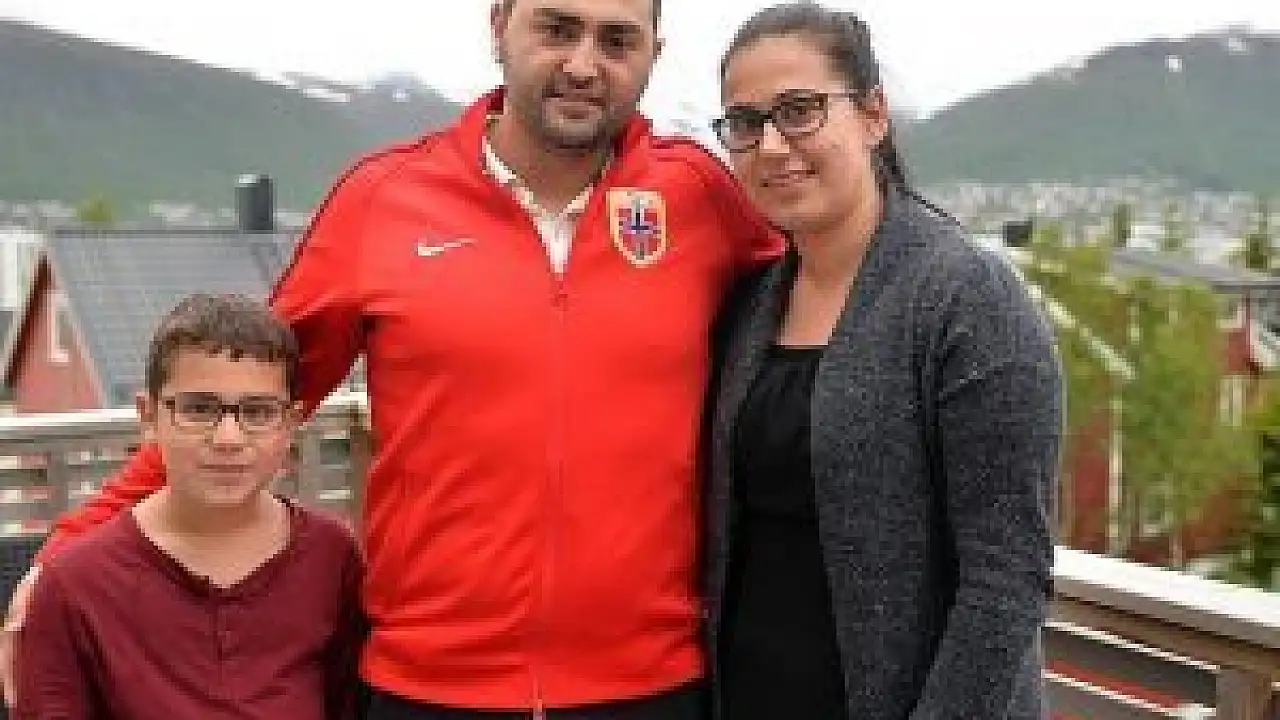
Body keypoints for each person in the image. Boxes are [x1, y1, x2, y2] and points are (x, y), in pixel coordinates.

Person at [1, 0, 782, 717]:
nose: (584, 63)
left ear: (654, 54)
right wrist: (70, 545)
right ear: (500, 25)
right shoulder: (386, 198)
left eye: (617, 41)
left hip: (652, 687)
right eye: (556, 28)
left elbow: (817, 295)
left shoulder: (699, 196)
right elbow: (245, 384)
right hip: (426, 687)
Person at [703, 4, 1062, 719]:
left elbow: (1007, 577)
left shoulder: (964, 299)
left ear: (873, 115)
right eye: (744, 122)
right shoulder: (752, 302)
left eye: (799, 111)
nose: (770, 145)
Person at [14, 294, 363, 719]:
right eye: (198, 409)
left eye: (258, 412)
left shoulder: (332, 557)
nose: (228, 438)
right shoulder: (76, 585)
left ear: (291, 424)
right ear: (149, 416)